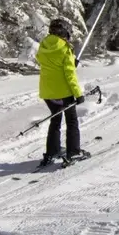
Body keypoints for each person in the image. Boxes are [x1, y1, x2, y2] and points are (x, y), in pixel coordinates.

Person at [36, 18, 88, 166]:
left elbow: (48, 62)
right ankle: (73, 152)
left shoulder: (43, 45)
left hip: (48, 93)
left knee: (55, 120)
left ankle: (52, 151)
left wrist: (71, 60)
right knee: (71, 120)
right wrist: (78, 94)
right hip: (64, 93)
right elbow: (70, 75)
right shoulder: (65, 49)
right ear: (64, 32)